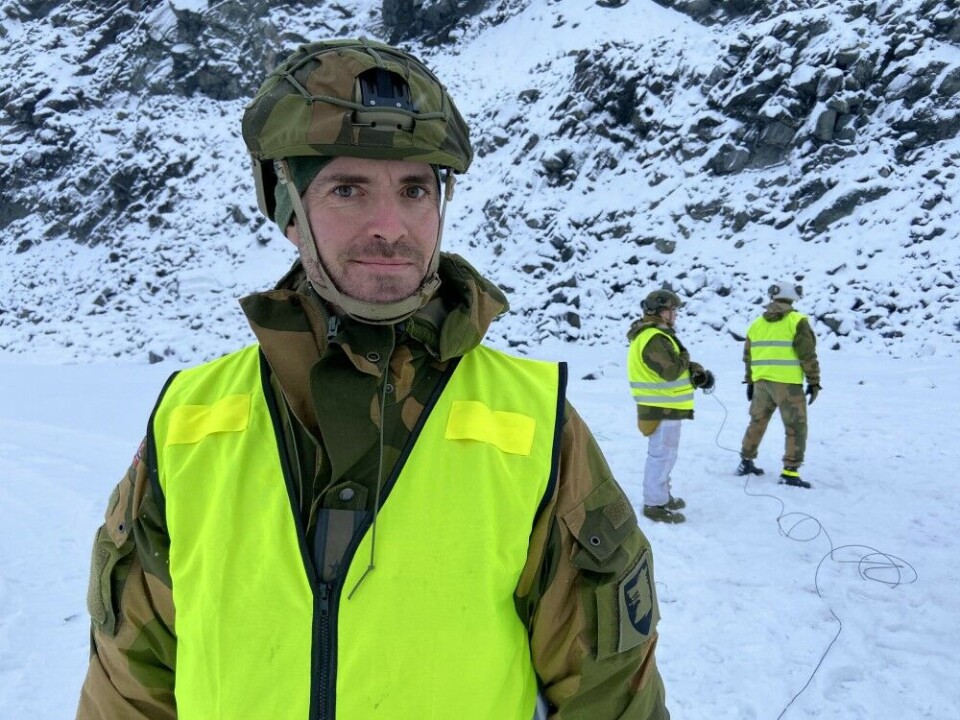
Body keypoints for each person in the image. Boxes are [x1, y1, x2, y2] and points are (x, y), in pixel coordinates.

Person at [75, 38, 670, 719]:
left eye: (415, 189)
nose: (391, 227)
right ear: (288, 209)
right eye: (348, 189)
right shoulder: (188, 421)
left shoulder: (536, 426)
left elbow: (608, 686)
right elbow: (129, 683)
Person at [627, 289, 714, 525]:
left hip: (664, 407)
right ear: (660, 311)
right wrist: (686, 357)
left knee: (666, 456)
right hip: (660, 408)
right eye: (672, 310)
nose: (675, 314)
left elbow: (672, 369)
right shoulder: (653, 338)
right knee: (661, 456)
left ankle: (661, 497)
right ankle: (654, 503)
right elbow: (671, 371)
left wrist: (694, 371)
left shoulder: (657, 336)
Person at [736, 281, 821, 488]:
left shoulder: (757, 323)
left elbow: (748, 356)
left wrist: (750, 380)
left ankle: (746, 461)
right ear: (792, 298)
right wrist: (814, 381)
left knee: (757, 421)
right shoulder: (797, 320)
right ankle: (789, 471)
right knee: (795, 427)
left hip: (761, 383)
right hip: (788, 385)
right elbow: (807, 354)